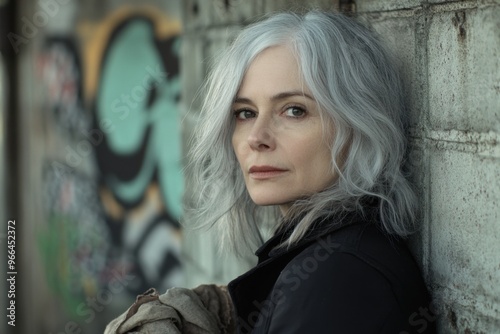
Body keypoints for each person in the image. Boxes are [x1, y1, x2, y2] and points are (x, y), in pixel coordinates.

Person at [105, 10, 436, 334]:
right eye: (245, 112)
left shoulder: (341, 281)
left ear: (359, 124)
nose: (256, 138)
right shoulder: (327, 261)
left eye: (294, 110)